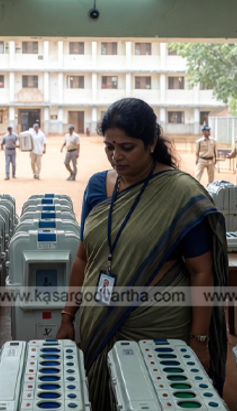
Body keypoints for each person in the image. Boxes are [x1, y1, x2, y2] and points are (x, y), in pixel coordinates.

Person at [56, 98, 228, 411]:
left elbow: (201, 271)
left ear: (151, 143)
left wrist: (199, 341)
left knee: (153, 400)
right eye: (109, 146)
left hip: (157, 326)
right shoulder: (97, 186)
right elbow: (84, 256)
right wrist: (68, 316)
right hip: (99, 320)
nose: (115, 156)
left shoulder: (180, 194)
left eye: (126, 147)